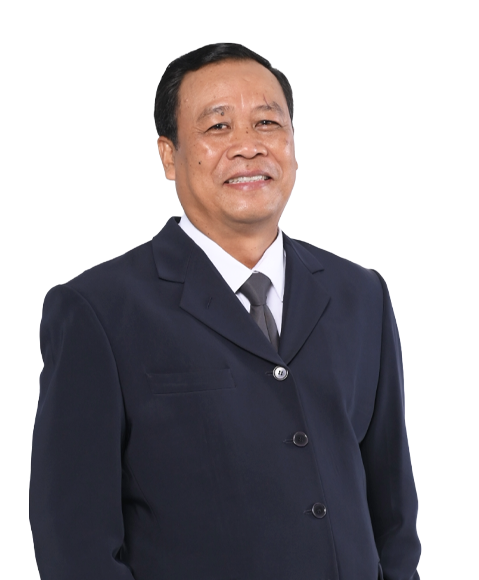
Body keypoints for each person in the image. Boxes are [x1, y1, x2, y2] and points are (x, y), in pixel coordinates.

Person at [30, 43, 420, 579]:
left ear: (292, 144)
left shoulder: (361, 293)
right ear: (168, 155)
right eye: (218, 127)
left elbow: (393, 502)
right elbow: (74, 544)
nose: (248, 147)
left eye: (267, 123)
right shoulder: (98, 309)